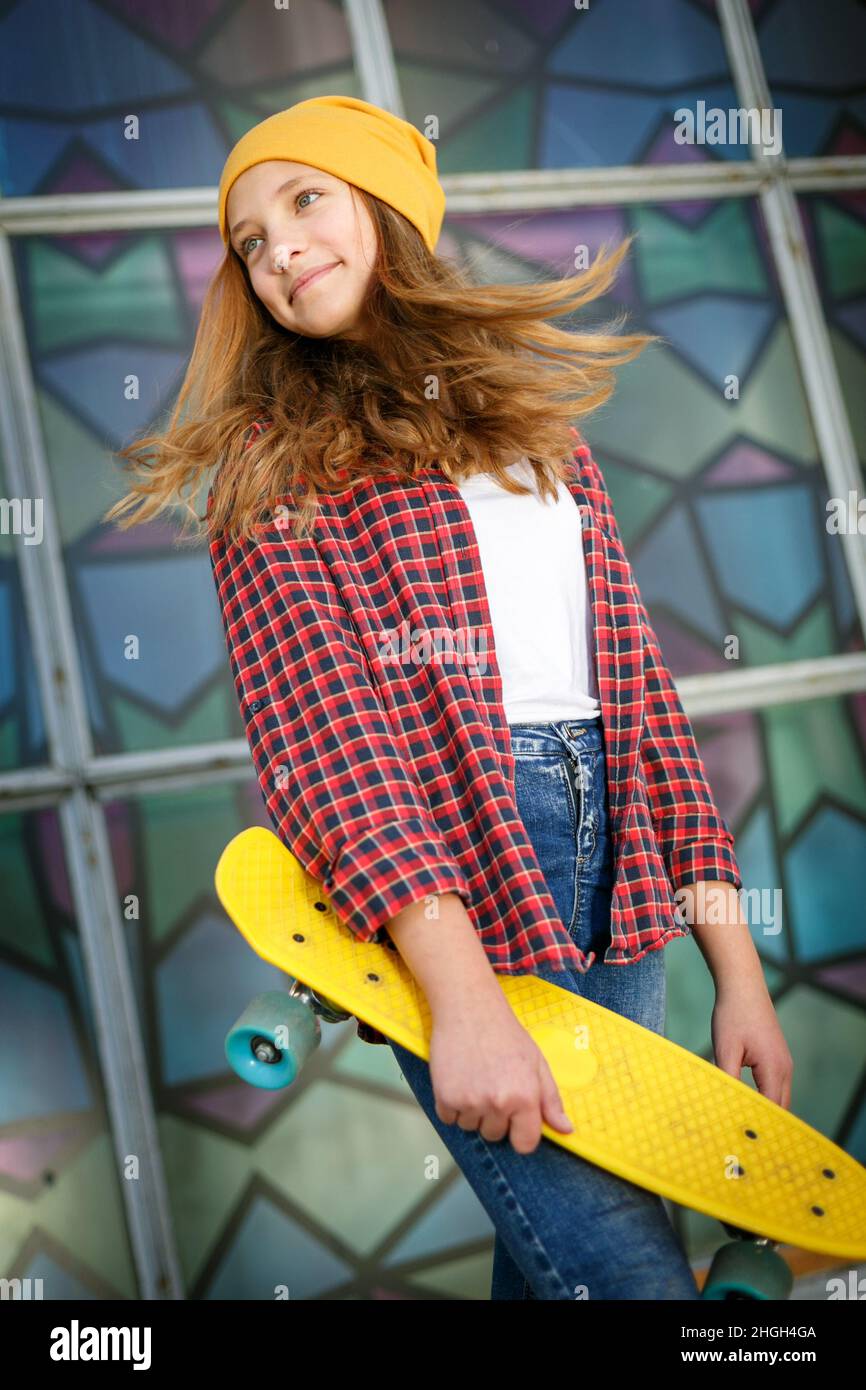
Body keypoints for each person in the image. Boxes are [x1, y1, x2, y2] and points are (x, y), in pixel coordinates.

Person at [105, 95, 793, 1300]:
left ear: (383, 209)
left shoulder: (535, 433)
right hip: (455, 876)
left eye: (302, 202)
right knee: (628, 1279)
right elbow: (333, 747)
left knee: (556, 1265)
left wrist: (735, 967)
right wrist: (459, 1002)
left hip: (616, 855)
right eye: (249, 243)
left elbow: (638, 702)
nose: (275, 254)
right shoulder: (270, 471)